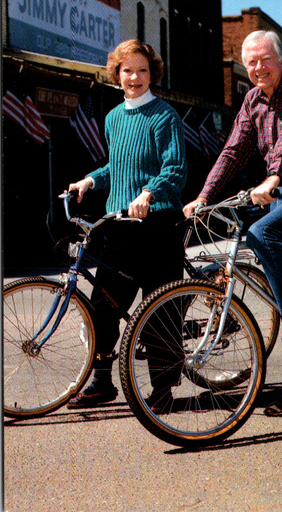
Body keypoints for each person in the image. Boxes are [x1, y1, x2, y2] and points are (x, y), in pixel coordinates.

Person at [183, 30, 282, 417]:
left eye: (264, 59)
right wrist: (204, 195)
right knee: (281, 283)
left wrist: (273, 178)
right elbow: (233, 149)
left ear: (281, 60)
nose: (257, 68)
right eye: (250, 62)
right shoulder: (252, 99)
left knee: (263, 232)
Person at [67, 39, 187, 409]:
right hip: (119, 224)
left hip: (157, 222)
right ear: (116, 75)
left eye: (142, 70)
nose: (134, 77)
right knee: (103, 305)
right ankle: (102, 382)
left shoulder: (164, 115)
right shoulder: (113, 117)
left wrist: (149, 193)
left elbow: (175, 169)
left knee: (159, 309)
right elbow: (118, 167)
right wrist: (90, 180)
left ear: (153, 74)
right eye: (127, 70)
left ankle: (163, 391)